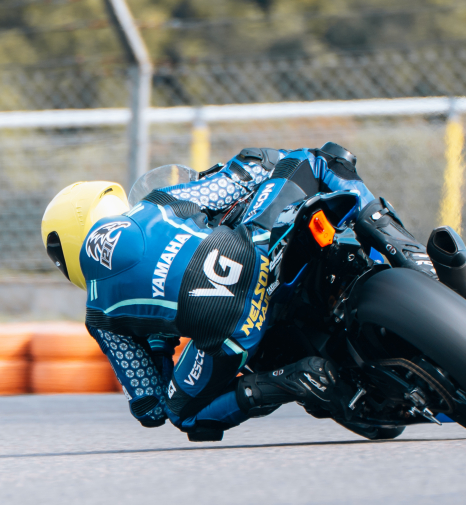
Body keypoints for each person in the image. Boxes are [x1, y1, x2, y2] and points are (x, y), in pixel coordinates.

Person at [39, 143, 390, 441]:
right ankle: (401, 245)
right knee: (318, 159)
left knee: (183, 414)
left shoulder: (99, 314)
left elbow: (151, 406)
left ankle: (290, 380)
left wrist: (159, 340)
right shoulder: (157, 204)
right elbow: (244, 172)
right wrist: (262, 164)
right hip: (256, 250)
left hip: (231, 327)